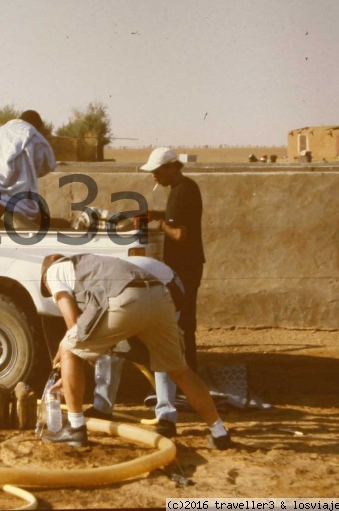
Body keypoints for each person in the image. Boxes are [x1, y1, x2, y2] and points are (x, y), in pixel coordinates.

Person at [40, 253, 231, 449]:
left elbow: (72, 326)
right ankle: (219, 433)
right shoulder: (92, 265)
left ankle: (75, 429)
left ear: (45, 275)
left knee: (68, 348)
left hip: (128, 297)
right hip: (159, 295)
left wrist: (68, 367)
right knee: (180, 370)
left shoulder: (54, 272)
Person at [86, 255, 184, 438]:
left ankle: (166, 418)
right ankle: (102, 408)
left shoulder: (97, 284)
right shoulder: (91, 282)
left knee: (162, 352)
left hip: (167, 288)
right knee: (110, 347)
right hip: (135, 289)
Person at [141, 147, 205, 372]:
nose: (154, 176)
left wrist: (160, 225)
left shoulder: (181, 191)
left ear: (170, 167)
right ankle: (187, 370)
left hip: (184, 266)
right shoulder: (184, 187)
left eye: (157, 171)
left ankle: (188, 372)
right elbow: (177, 217)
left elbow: (179, 233)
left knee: (182, 321)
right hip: (188, 265)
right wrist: (157, 215)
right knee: (182, 320)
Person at [0, 110, 56, 230]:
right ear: (37, 124)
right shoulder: (30, 133)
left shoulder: (2, 131)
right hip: (13, 200)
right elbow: (47, 162)